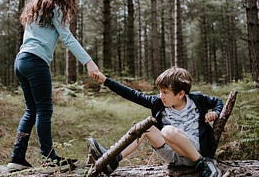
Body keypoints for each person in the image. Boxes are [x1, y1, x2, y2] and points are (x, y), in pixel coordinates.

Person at [7, 0, 99, 171]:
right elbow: (68, 38)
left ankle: (17, 158)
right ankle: (49, 159)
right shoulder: (56, 8)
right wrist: (89, 62)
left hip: (21, 61)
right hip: (35, 62)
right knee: (44, 110)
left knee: (31, 110)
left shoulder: (36, 8)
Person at [88, 67, 223, 177]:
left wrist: (215, 112)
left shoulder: (197, 100)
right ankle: (113, 159)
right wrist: (105, 80)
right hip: (173, 155)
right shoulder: (159, 103)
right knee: (146, 127)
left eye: (165, 92)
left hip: (194, 151)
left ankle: (204, 163)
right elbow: (132, 95)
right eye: (160, 91)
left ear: (181, 94)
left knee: (167, 130)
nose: (161, 96)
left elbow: (218, 101)